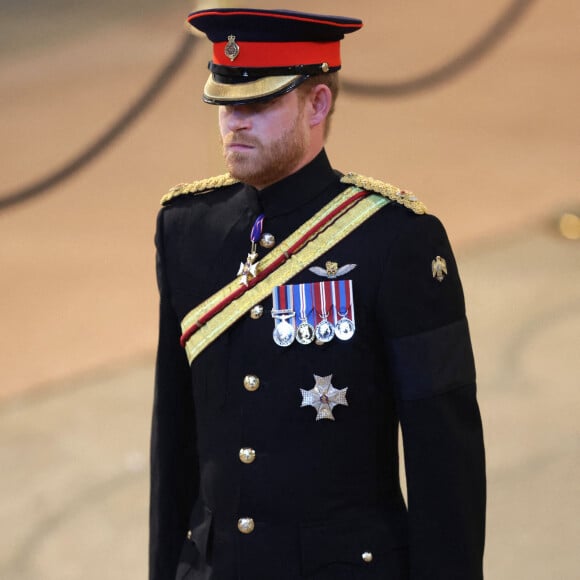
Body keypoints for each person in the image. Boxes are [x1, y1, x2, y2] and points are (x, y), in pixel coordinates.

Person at [150, 8, 486, 580]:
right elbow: (175, 438)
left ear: (317, 105)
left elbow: (444, 464)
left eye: (258, 104)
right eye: (226, 104)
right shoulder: (186, 228)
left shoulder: (396, 241)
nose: (235, 122)